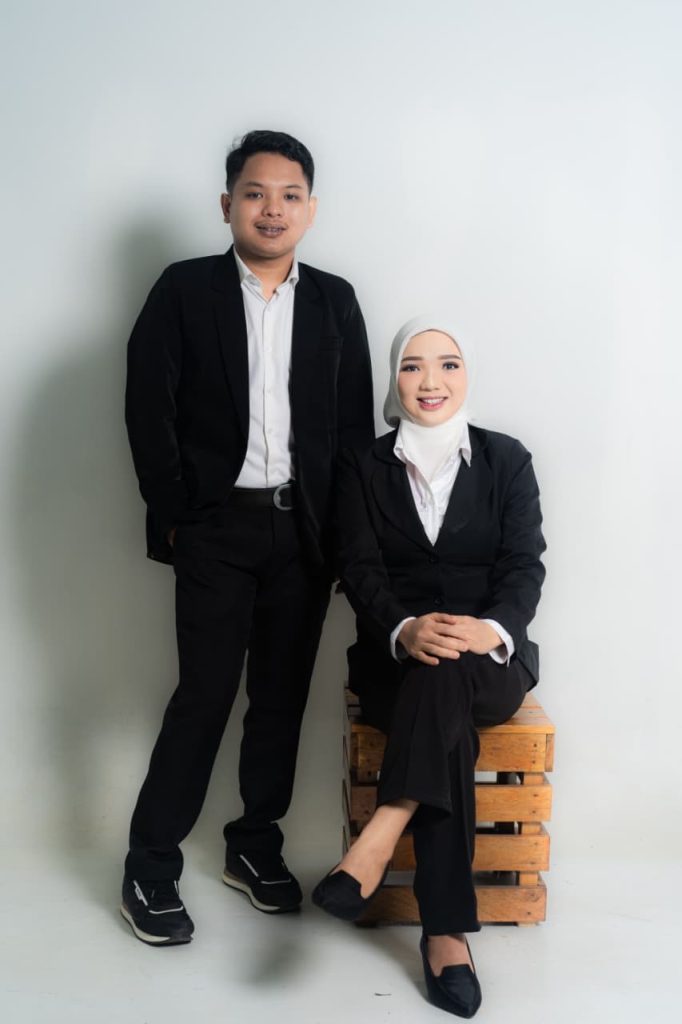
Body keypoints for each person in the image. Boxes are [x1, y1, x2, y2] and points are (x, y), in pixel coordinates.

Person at [121, 131, 374, 945]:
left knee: (280, 699)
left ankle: (253, 844)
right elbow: (148, 409)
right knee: (203, 695)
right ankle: (149, 864)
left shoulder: (334, 301)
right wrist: (180, 515)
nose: (273, 209)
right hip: (216, 529)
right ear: (227, 204)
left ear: (311, 209)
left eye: (290, 195)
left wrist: (342, 540)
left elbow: (352, 433)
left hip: (303, 532)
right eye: (256, 193)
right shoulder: (184, 290)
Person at [312, 317, 545, 1017]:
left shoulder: (507, 460)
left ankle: (380, 836)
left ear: (466, 373)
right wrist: (406, 627)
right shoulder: (362, 465)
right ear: (395, 379)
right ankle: (446, 933)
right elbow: (357, 567)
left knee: (447, 669)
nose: (431, 381)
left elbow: (524, 566)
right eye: (412, 366)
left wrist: (488, 629)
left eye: (447, 364)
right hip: (395, 664)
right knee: (436, 683)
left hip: (490, 664)